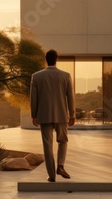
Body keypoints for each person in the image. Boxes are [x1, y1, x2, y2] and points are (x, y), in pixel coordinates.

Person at [30, 49, 75, 182]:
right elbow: (70, 97)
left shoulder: (36, 76)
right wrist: (72, 114)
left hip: (43, 115)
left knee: (47, 145)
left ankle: (51, 175)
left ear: (46, 59)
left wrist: (34, 114)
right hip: (61, 115)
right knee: (63, 141)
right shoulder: (66, 76)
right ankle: (60, 166)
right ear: (57, 59)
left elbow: (34, 98)